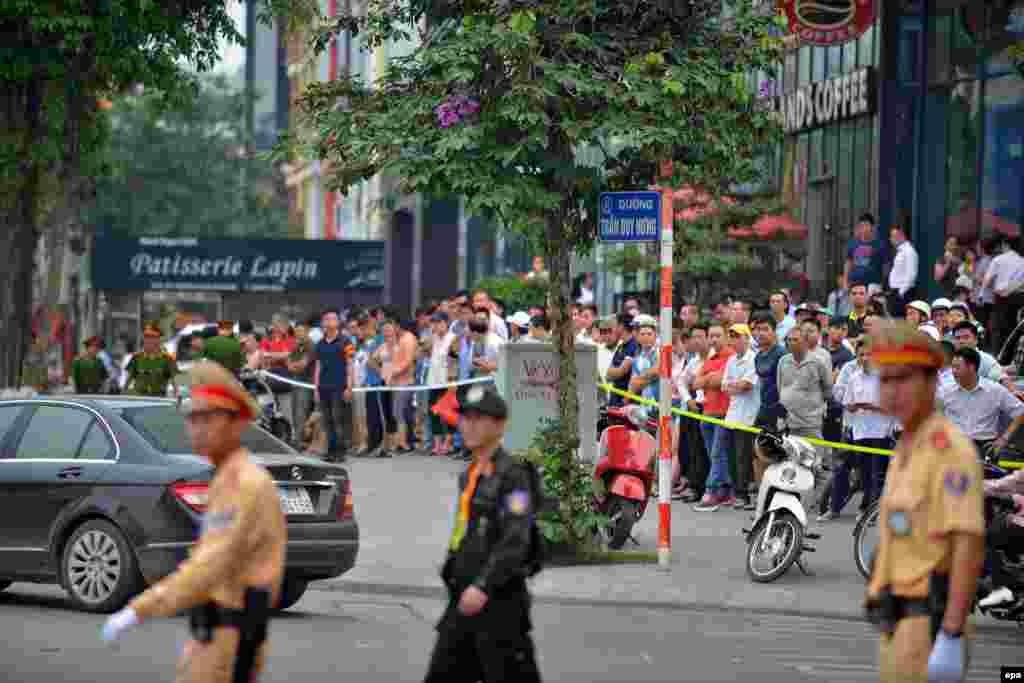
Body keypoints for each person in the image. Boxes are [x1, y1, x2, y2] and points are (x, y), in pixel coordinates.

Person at [101, 361, 287, 683]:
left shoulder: (241, 484)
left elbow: (208, 567)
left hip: (227, 641)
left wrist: (139, 609)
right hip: (215, 635)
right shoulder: (225, 478)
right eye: (192, 418)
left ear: (236, 423)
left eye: (207, 418)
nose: (195, 428)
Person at [865, 322, 984, 683]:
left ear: (932, 383)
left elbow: (967, 545)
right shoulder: (906, 445)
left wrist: (949, 634)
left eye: (903, 379)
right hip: (896, 622)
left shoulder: (949, 451)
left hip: (927, 627)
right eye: (885, 380)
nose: (892, 391)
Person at [423, 384, 542, 683]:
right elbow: (465, 532)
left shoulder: (514, 476)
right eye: (466, 418)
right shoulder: (470, 475)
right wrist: (453, 565)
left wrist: (484, 585)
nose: (469, 425)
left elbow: (516, 538)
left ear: (499, 425)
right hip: (463, 599)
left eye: (479, 418)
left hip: (498, 602)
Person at [312, 309, 355, 462]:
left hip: (340, 386)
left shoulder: (346, 342)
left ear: (338, 322)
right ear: (323, 323)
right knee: (327, 420)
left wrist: (349, 387)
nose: (330, 321)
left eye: (333, 318)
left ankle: (340, 451)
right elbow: (318, 367)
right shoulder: (319, 344)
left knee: (338, 419)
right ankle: (330, 450)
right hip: (324, 386)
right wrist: (316, 388)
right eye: (327, 319)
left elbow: (350, 364)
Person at [125, 323, 179, 398]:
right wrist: (123, 395)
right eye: (146, 337)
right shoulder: (136, 357)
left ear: (158, 340)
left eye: (151, 337)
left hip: (159, 401)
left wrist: (177, 396)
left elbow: (175, 383)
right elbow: (127, 382)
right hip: (139, 400)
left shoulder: (167, 359)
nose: (147, 340)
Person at [845, 213, 889, 295]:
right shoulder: (853, 243)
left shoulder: (880, 244)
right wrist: (845, 281)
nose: (864, 229)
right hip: (855, 284)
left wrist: (884, 284)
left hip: (873, 286)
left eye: (866, 225)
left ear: (872, 227)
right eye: (861, 226)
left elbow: (886, 266)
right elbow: (848, 262)